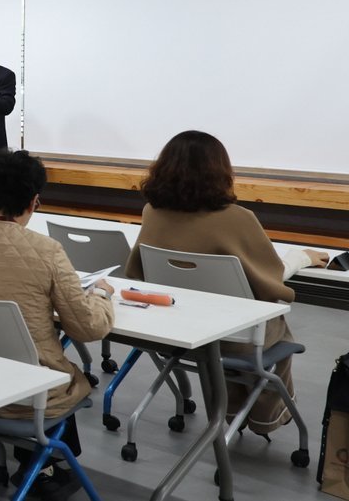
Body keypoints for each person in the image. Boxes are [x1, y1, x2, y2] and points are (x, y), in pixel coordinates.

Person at [0, 150, 113, 499]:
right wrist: (102, 295)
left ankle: (44, 466)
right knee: (59, 372)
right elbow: (88, 328)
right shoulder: (47, 251)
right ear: (34, 201)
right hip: (27, 399)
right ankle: (46, 466)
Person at [124, 131, 327, 436]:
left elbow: (136, 270)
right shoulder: (238, 218)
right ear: (221, 171)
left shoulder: (152, 212)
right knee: (275, 328)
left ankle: (232, 413)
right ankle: (266, 418)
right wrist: (302, 258)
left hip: (179, 330)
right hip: (236, 339)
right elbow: (270, 278)